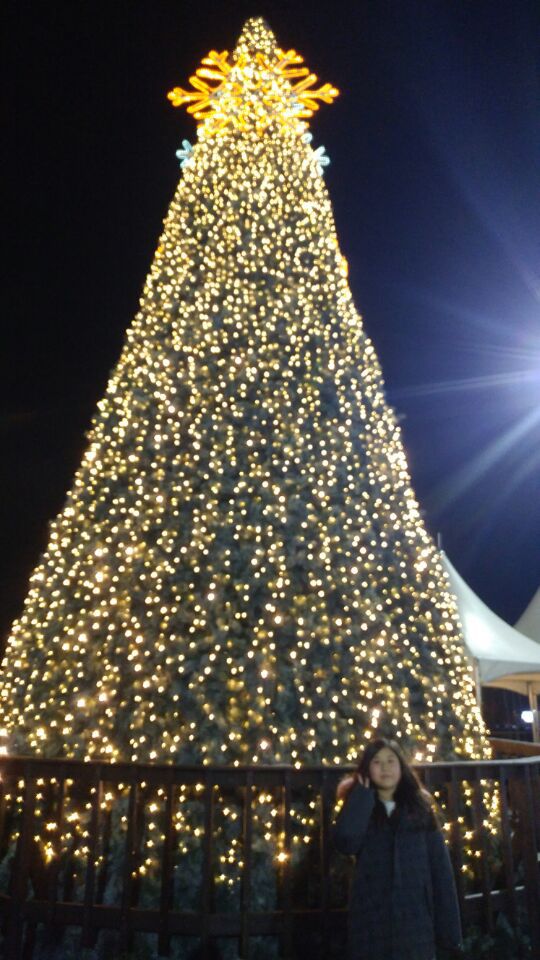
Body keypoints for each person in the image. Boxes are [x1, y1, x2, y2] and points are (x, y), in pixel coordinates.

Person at [333, 737, 463, 960]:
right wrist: (361, 797)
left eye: (391, 761)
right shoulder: (362, 807)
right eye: (377, 762)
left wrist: (449, 933)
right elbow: (346, 843)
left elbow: (440, 869)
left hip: (416, 922)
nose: (385, 768)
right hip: (371, 922)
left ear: (402, 767)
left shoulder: (420, 809)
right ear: (367, 769)